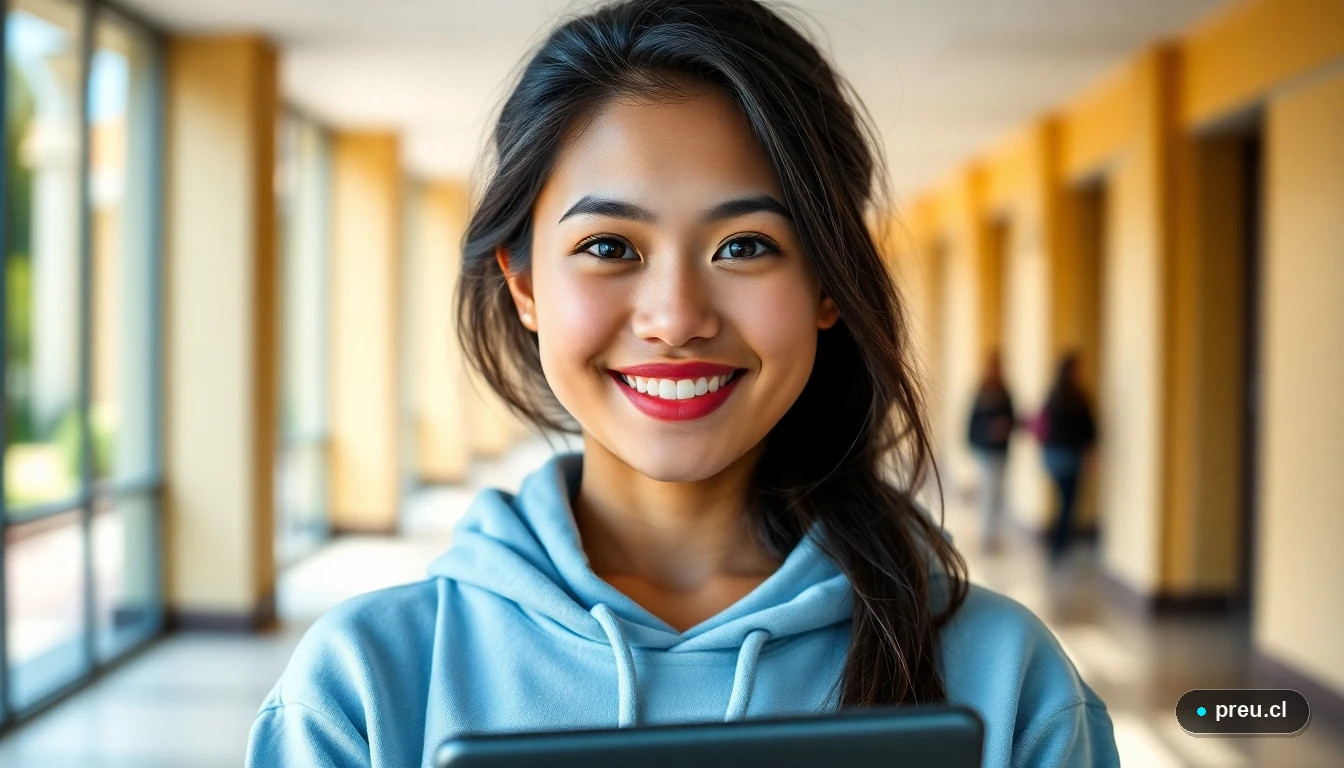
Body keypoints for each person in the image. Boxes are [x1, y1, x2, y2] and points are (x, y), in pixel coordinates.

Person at [246, 2, 1118, 766]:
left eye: (744, 246)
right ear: (523, 285)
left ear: (827, 285)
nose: (676, 317)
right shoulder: (365, 689)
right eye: (608, 247)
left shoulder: (1007, 686)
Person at [1038, 353, 1097, 560]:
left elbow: (1044, 425)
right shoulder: (1079, 397)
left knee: (1063, 502)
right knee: (1068, 504)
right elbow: (1089, 430)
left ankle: (1058, 541)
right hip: (1070, 458)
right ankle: (1060, 543)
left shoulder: (1053, 395)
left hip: (1053, 457)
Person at [966, 351, 1015, 552]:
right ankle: (987, 536)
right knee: (988, 492)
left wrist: (1005, 426)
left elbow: (1013, 417)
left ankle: (994, 534)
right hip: (987, 450)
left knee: (998, 493)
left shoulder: (1005, 391)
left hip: (1002, 450)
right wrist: (989, 431)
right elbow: (973, 423)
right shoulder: (983, 391)